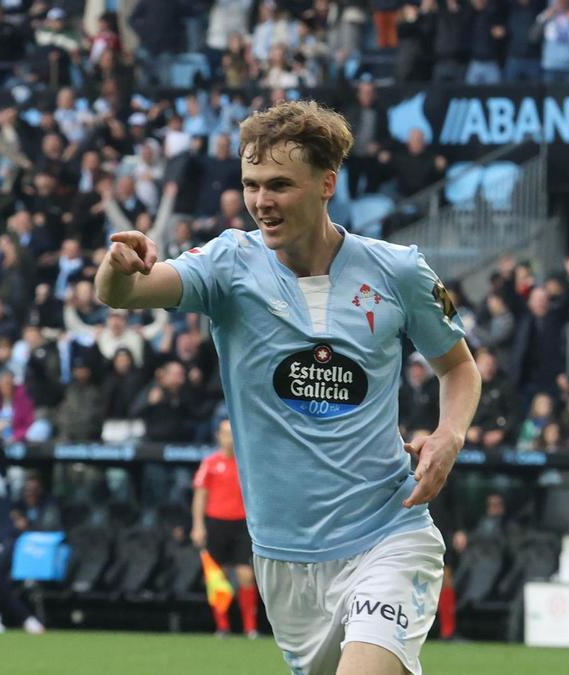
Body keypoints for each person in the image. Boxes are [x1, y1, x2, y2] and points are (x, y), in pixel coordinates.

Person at [94, 100, 481, 675]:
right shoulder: (228, 264)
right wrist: (119, 265)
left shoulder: (398, 271)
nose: (260, 201)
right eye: (251, 184)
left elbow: (459, 367)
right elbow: (121, 295)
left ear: (327, 184)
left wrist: (449, 435)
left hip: (388, 529)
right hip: (285, 559)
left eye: (279, 184)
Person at [190, 419, 258, 638]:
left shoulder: (247, 464)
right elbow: (200, 495)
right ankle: (222, 626)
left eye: (232, 433)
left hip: (242, 523)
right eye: (225, 433)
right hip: (217, 522)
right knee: (216, 576)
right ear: (218, 436)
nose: (229, 438)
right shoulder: (210, 463)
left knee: (245, 574)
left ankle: (250, 627)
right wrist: (198, 525)